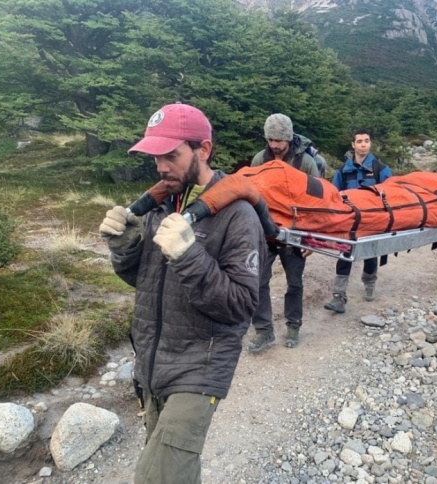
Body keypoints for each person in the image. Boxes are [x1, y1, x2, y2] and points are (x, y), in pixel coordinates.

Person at [99, 103, 265, 484]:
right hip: (153, 365)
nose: (160, 166)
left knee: (157, 477)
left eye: (171, 155)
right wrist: (125, 246)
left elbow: (240, 305)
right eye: (156, 156)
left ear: (203, 150)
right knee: (173, 468)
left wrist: (189, 255)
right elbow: (146, 283)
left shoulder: (238, 216)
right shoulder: (163, 205)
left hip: (200, 367)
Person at [247, 113, 319, 352]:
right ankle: (264, 331)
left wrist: (312, 239)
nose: (275, 145)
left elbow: (315, 202)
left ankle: (293, 325)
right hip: (266, 233)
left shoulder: (305, 162)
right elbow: (252, 195)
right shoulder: (260, 159)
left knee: (295, 283)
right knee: (258, 281)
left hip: (296, 233)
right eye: (270, 139)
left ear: (288, 138)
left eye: (279, 140)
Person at [324, 129, 392, 314]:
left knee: (371, 254)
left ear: (370, 144)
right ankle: (339, 296)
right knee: (345, 254)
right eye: (359, 141)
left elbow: (390, 196)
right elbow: (334, 196)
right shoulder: (342, 171)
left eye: (366, 141)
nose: (363, 144)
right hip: (349, 223)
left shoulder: (381, 169)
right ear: (353, 145)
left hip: (373, 222)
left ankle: (370, 284)